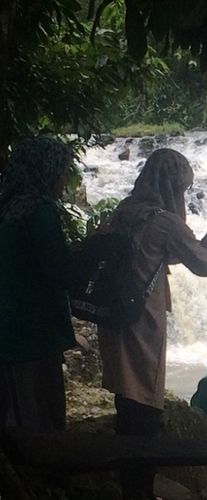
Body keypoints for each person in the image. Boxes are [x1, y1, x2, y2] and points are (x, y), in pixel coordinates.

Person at [97, 148, 207, 499]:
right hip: (142, 322)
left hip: (114, 317)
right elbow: (205, 266)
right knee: (146, 405)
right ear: (173, 184)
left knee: (126, 397)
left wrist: (199, 244)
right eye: (182, 188)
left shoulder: (126, 211)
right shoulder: (164, 221)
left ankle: (130, 484)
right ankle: (140, 488)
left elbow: (153, 253)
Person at [0, 137, 75, 431]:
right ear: (46, 170)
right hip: (33, 330)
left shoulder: (6, 207)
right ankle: (43, 474)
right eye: (62, 171)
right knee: (41, 415)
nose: (64, 180)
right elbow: (59, 270)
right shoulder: (40, 211)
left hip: (7, 326)